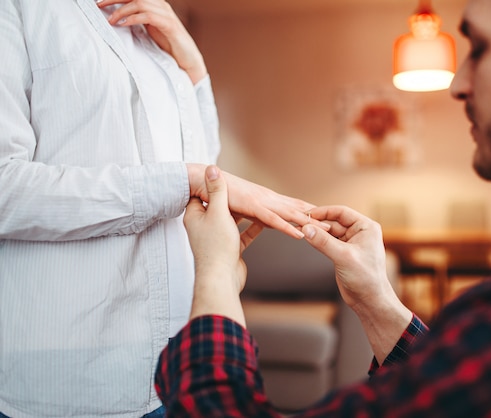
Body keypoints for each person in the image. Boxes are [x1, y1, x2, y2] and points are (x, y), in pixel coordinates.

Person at [154, 0, 491, 416]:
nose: (458, 85)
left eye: (480, 48)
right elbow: (450, 395)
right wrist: (376, 301)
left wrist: (214, 275)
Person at [0, 1, 320, 417]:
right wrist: (182, 180)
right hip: (72, 375)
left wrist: (193, 67)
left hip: (175, 364)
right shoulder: (20, 10)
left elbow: (202, 163)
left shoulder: (152, 30)